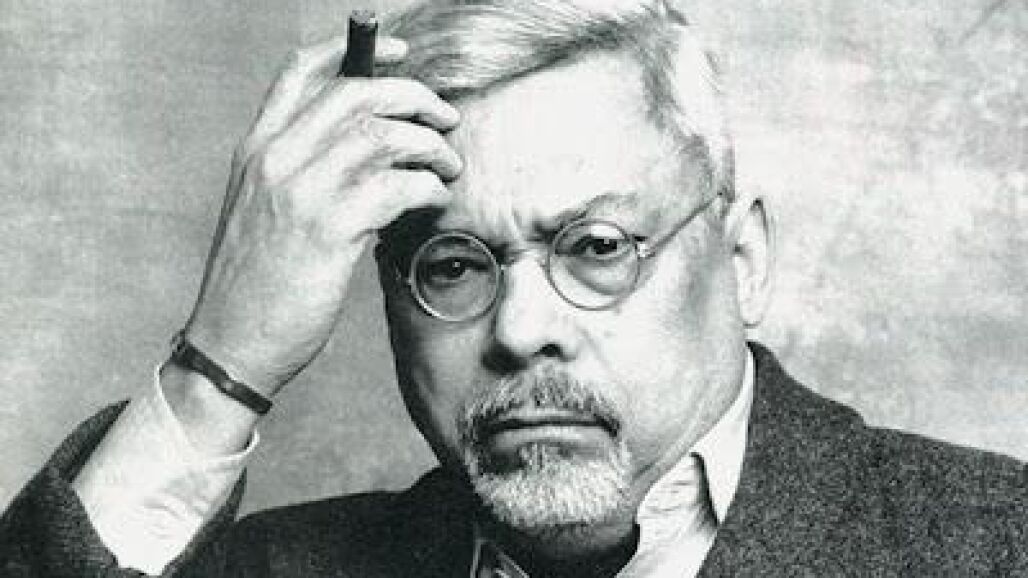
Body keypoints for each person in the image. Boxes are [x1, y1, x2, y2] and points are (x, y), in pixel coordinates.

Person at [1, 0, 1025, 576]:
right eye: (452, 265)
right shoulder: (279, 566)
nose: (521, 328)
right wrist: (220, 364)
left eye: (596, 246)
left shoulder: (994, 543)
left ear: (742, 259)